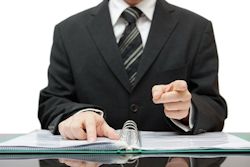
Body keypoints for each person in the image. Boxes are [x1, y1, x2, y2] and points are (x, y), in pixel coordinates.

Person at [38, 0, 227, 141]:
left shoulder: (197, 29)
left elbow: (214, 105)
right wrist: (78, 115)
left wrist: (187, 111)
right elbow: (52, 101)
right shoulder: (68, 31)